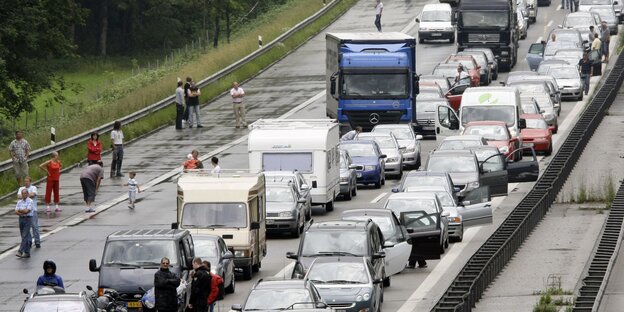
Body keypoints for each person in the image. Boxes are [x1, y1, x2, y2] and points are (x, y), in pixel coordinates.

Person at [17, 176, 41, 248]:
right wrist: (27, 195)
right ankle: (29, 241)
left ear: (30, 182)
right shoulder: (21, 188)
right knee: (26, 228)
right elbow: (18, 196)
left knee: (34, 226)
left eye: (27, 181)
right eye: (25, 181)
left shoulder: (33, 188)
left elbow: (33, 194)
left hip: (33, 211)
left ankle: (37, 241)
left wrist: (24, 195)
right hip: (23, 212)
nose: (26, 182)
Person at [15, 188, 34, 258]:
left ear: (28, 194)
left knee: (24, 236)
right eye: (22, 194)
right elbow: (16, 211)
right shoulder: (19, 202)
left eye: (25, 193)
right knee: (25, 236)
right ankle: (27, 252)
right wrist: (22, 211)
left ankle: (20, 251)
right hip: (21, 219)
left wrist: (20, 210)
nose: (23, 195)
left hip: (28, 219)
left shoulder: (30, 201)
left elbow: (27, 211)